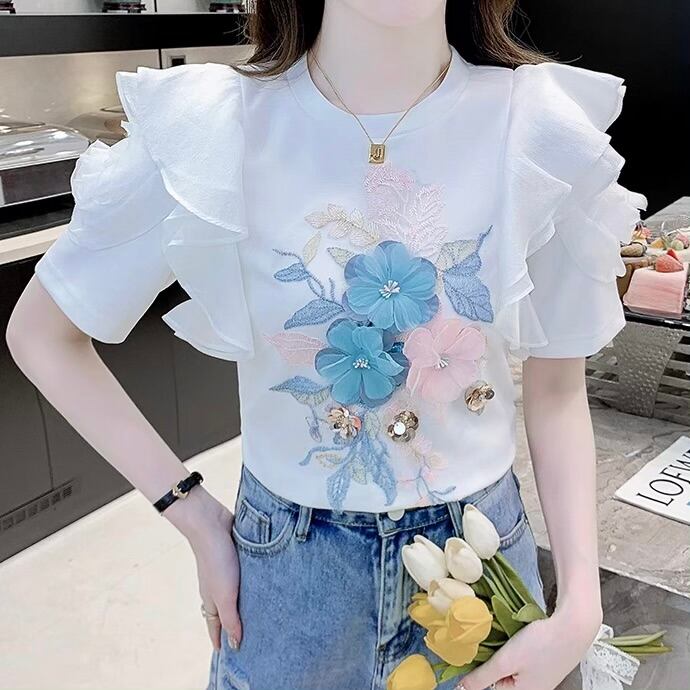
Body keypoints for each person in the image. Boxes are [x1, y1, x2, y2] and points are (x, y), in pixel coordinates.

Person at [6, 1, 647, 689]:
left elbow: (557, 391)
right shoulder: (217, 126)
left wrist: (580, 607)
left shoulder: (537, 127)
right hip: (289, 575)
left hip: (481, 570)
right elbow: (43, 333)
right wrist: (190, 511)